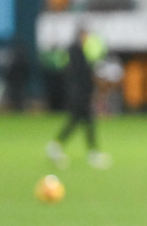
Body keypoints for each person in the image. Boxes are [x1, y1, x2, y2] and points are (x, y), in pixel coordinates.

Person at [46, 27, 110, 169]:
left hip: (82, 93)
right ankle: (91, 153)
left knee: (78, 121)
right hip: (78, 94)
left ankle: (56, 146)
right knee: (83, 121)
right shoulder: (75, 51)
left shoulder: (82, 52)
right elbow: (80, 73)